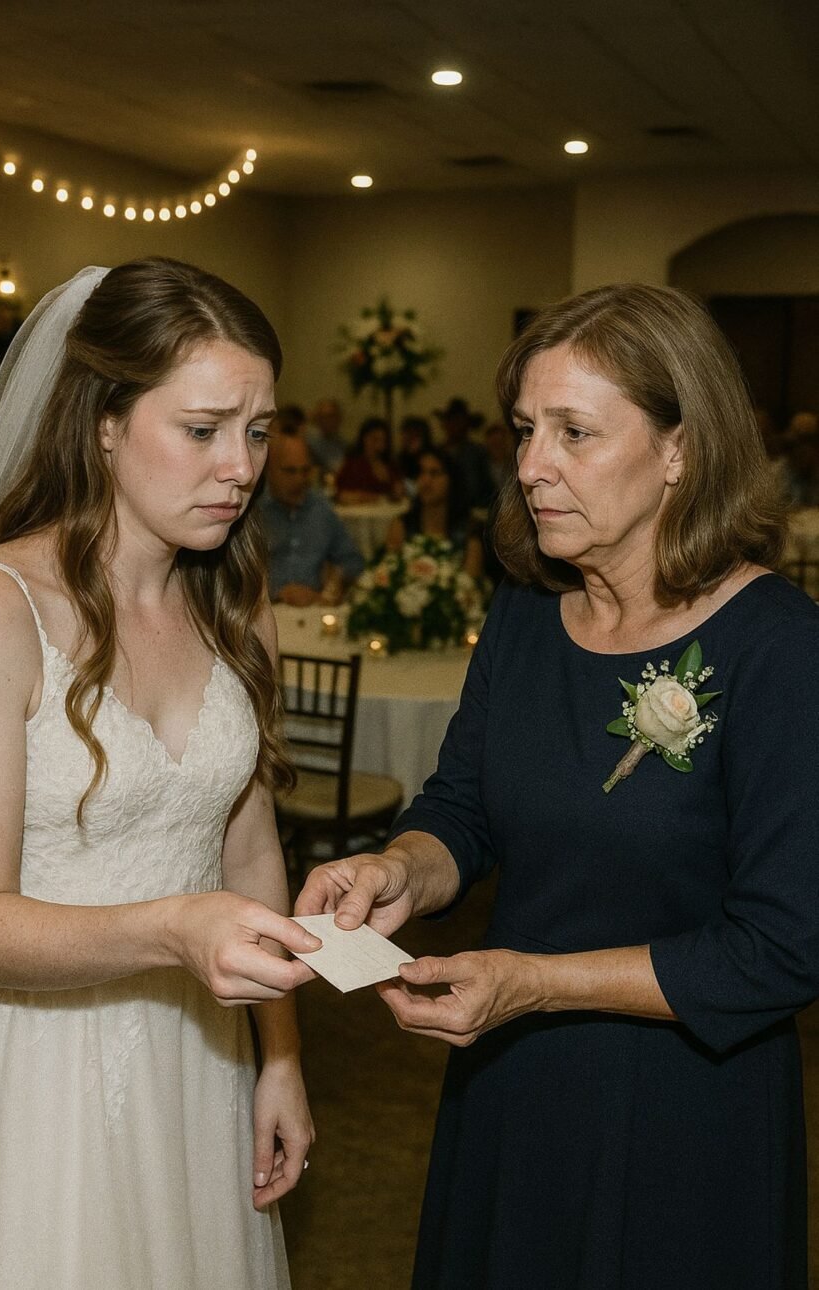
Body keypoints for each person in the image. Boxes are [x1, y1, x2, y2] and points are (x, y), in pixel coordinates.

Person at [297, 283, 819, 1289]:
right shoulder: (528, 610)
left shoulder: (778, 650)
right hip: (512, 1079)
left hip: (685, 1114)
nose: (532, 465)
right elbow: (463, 805)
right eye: (525, 430)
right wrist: (398, 868)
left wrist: (536, 981)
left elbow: (782, 947)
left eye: (574, 433)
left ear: (679, 449)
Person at [0, 257, 323, 1290]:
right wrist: (171, 928)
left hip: (199, 1059)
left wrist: (280, 1056)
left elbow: (250, 851)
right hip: (34, 1067)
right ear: (105, 424)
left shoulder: (237, 608)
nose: (239, 467)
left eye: (257, 431)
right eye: (202, 429)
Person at [259, 429, 364, 606]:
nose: (300, 479)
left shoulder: (321, 509)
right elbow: (230, 574)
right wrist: (276, 591)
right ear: (268, 470)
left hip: (314, 608)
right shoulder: (252, 512)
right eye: (290, 471)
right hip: (263, 609)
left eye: (305, 470)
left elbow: (353, 561)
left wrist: (339, 577)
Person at [385, 446, 484, 578]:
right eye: (421, 472)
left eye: (434, 473)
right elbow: (390, 575)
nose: (426, 481)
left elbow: (470, 583)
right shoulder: (402, 525)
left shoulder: (469, 530)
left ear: (451, 480)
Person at [435, 395, 492, 510]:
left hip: (472, 511)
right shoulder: (436, 454)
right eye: (452, 421)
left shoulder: (478, 453)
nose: (456, 426)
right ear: (445, 424)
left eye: (459, 422)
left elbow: (485, 488)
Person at [335, 415, 404, 504]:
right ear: (364, 439)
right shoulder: (353, 464)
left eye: (382, 440)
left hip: (388, 509)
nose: (378, 445)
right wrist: (364, 497)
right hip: (362, 510)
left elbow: (399, 488)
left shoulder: (390, 464)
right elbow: (341, 494)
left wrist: (398, 491)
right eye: (374, 439)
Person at [305, 396, 347, 477]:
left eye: (333, 416)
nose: (329, 420)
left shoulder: (345, 445)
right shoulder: (309, 443)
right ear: (317, 418)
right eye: (324, 417)